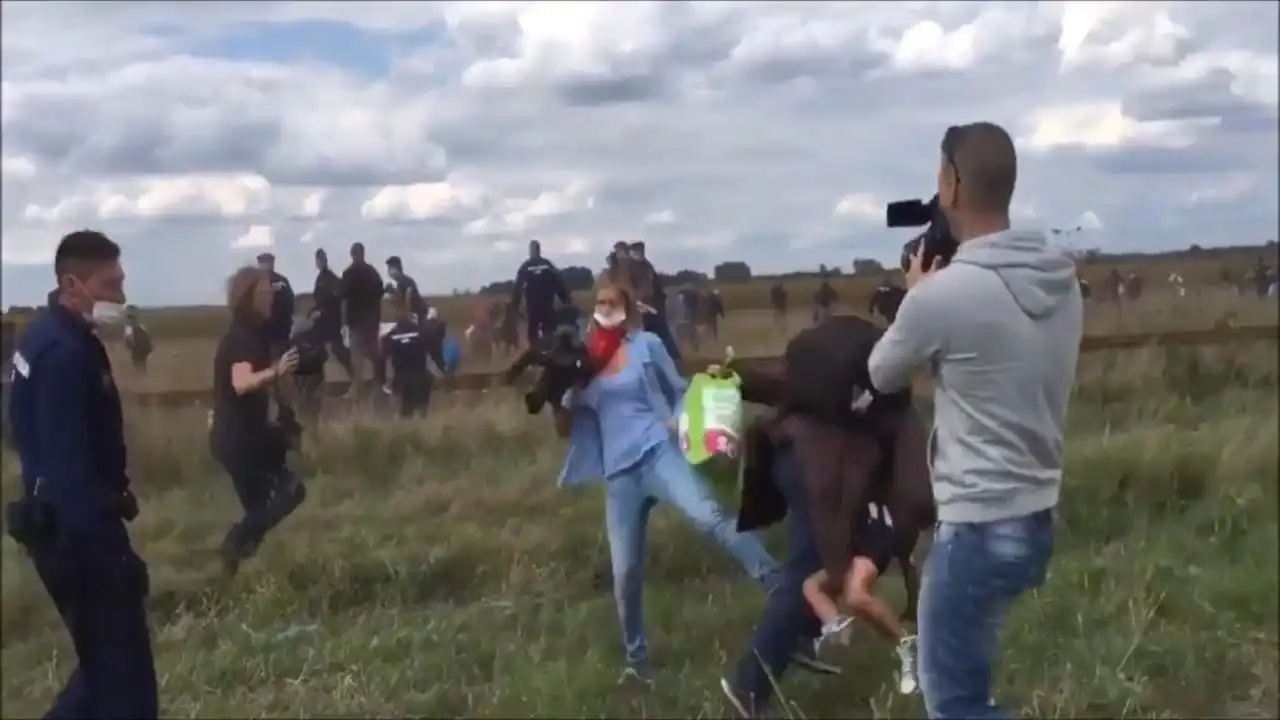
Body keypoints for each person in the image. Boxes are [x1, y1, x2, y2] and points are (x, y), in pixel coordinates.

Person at [866, 122, 1081, 720]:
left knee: (954, 706)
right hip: (1036, 517)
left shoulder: (942, 295)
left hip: (977, 525)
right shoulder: (1061, 280)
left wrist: (915, 295)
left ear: (951, 183)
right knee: (970, 694)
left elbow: (882, 373)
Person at [553, 273, 780, 682]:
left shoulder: (646, 345)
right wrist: (559, 396)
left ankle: (778, 585)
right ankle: (637, 663)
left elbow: (678, 389)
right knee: (625, 573)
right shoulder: (583, 363)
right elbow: (564, 427)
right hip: (619, 476)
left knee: (710, 516)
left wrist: (684, 416)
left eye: (612, 302)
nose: (605, 309)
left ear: (627, 309)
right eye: (600, 303)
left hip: (658, 451)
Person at [5, 229, 159, 718]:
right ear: (72, 285)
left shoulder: (47, 336)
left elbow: (23, 428)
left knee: (103, 671)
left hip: (60, 523)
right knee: (127, 686)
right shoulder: (63, 355)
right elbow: (70, 472)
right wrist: (113, 560)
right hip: (78, 536)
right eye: (110, 285)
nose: (121, 295)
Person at [209, 266, 308, 577]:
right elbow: (241, 383)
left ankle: (237, 569)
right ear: (248, 297)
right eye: (265, 292)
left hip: (239, 436)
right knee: (288, 493)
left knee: (260, 510)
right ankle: (234, 545)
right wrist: (276, 371)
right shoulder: (243, 338)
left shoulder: (252, 334)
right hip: (239, 439)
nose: (271, 296)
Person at [801, 500, 919, 694]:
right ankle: (836, 625)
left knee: (856, 596)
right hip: (854, 538)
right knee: (812, 586)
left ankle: (907, 644)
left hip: (874, 531)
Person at [340, 242, 385, 400]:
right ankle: (378, 386)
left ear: (352, 254)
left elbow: (342, 294)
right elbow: (380, 291)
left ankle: (357, 389)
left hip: (356, 321)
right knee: (374, 354)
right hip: (371, 321)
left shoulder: (349, 273)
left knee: (357, 356)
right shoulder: (372, 272)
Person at [379, 298, 437, 418]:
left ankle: (406, 417)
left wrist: (384, 380)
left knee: (405, 412)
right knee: (422, 410)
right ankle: (422, 417)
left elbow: (382, 357)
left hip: (401, 379)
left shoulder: (391, 336)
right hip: (420, 376)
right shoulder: (421, 332)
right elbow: (433, 349)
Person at [511, 239, 571, 347]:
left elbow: (517, 287)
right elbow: (558, 281)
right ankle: (549, 347)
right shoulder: (547, 264)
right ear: (539, 250)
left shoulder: (526, 266)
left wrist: (515, 304)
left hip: (533, 305)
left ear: (530, 251)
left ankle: (535, 350)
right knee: (549, 329)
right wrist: (565, 298)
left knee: (533, 331)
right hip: (546, 304)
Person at [311, 248, 354, 379]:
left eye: (322, 259)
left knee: (337, 348)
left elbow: (337, 300)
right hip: (323, 320)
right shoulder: (321, 278)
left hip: (331, 320)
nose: (320, 262)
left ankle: (354, 374)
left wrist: (322, 312)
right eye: (319, 260)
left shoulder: (330, 279)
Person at [256, 252, 295, 357]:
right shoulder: (282, 281)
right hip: (280, 331)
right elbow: (291, 302)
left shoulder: (255, 282)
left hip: (268, 332)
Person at [385, 255, 427, 320]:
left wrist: (407, 315)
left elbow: (408, 295)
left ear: (396, 268)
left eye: (390, 268)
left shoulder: (405, 281)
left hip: (417, 316)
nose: (388, 272)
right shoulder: (402, 282)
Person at [123, 307, 153, 374]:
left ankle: (139, 374)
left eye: (130, 319)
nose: (129, 321)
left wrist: (128, 344)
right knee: (141, 362)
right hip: (142, 348)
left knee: (137, 362)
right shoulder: (140, 326)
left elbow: (128, 338)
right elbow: (147, 335)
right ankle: (141, 374)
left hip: (138, 348)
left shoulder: (130, 328)